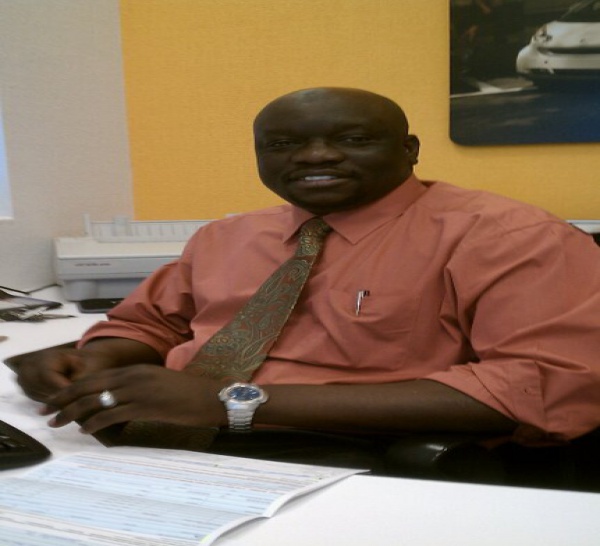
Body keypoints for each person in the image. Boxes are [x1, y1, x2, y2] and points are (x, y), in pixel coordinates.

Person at [15, 87, 600, 472]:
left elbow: (537, 386)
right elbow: (150, 322)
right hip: (148, 437)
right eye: (284, 144)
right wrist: (93, 360)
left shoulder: (510, 237)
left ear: (410, 149)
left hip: (338, 452)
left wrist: (230, 402)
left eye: (352, 140)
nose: (316, 156)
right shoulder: (228, 235)